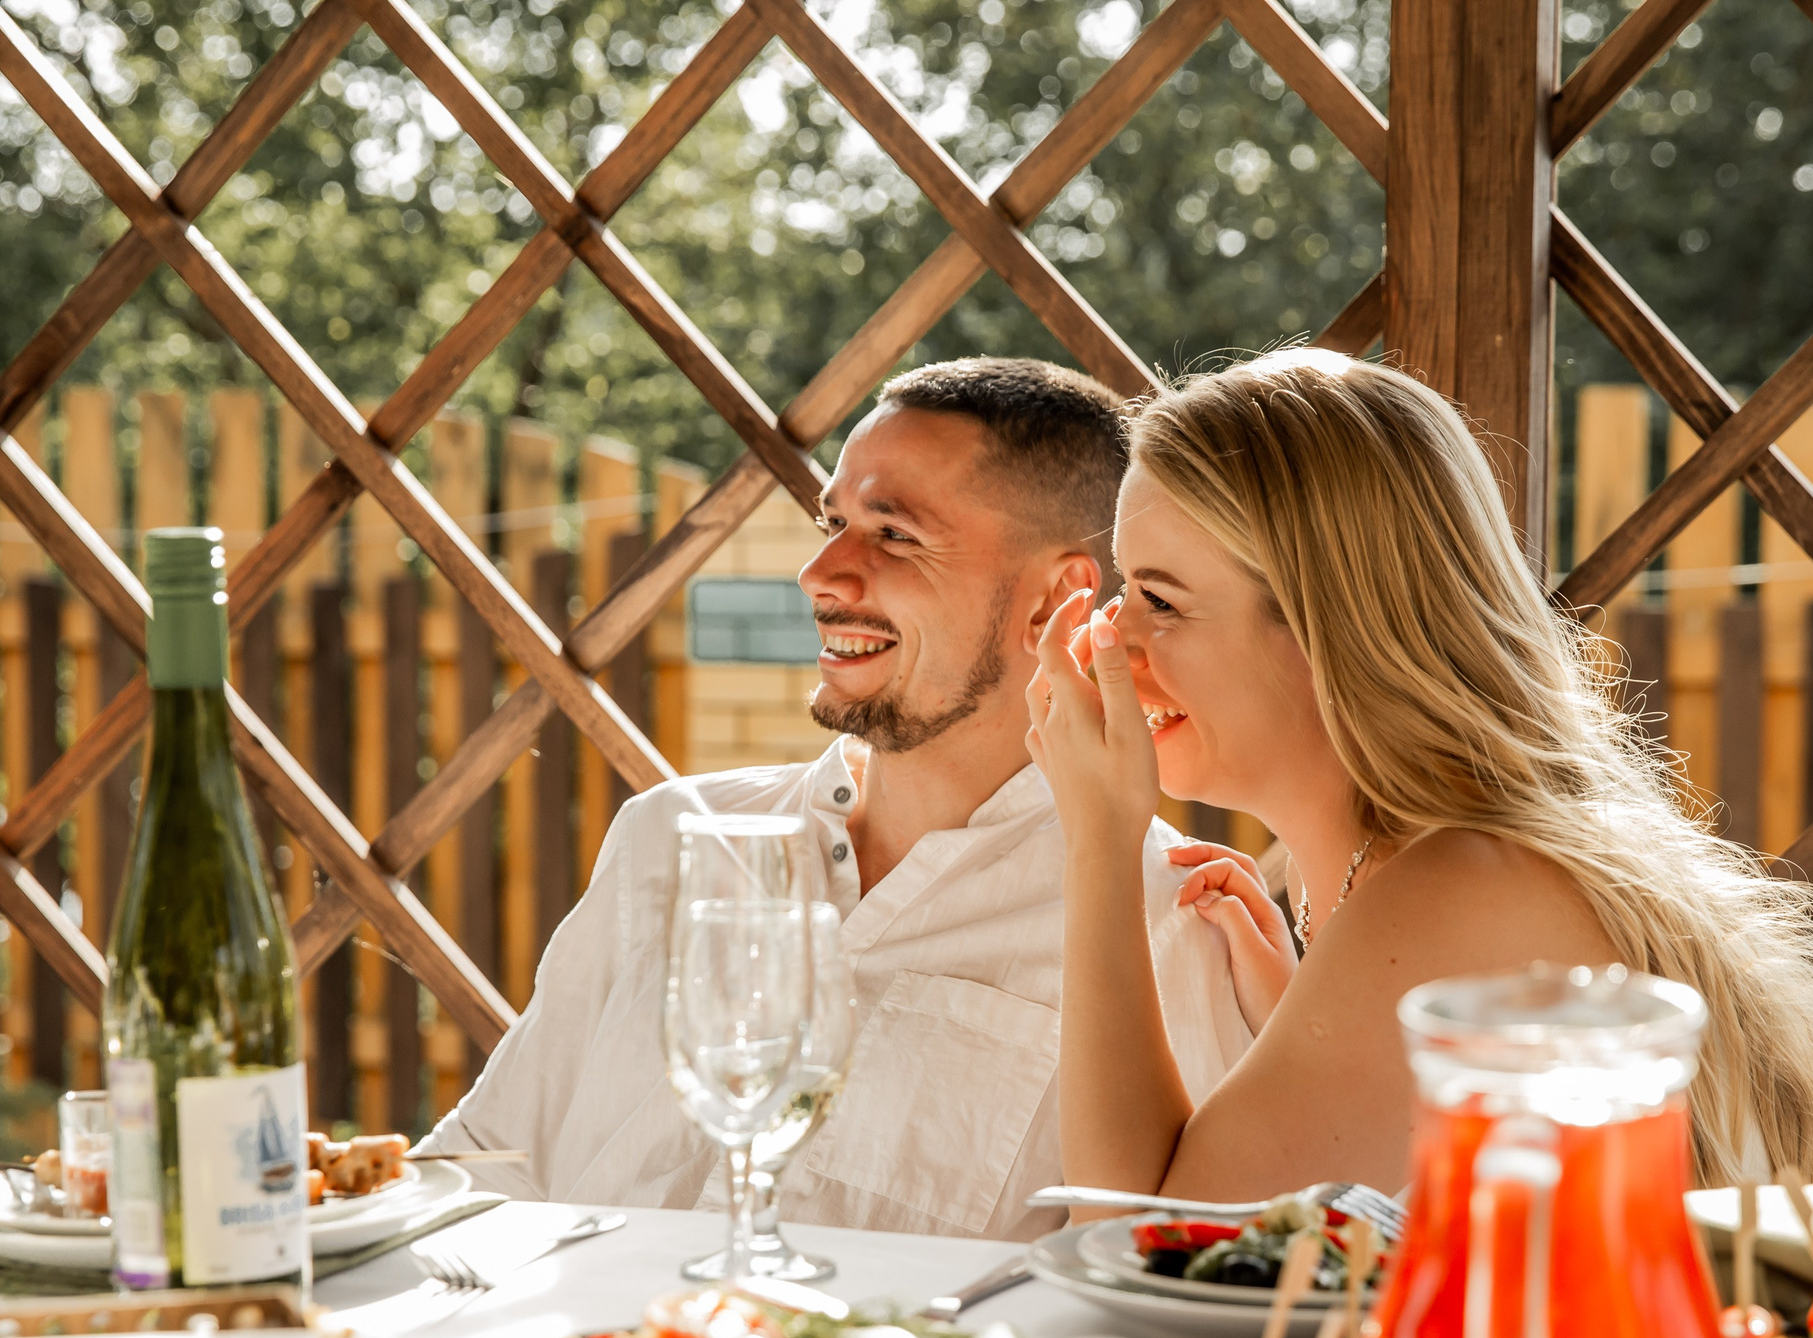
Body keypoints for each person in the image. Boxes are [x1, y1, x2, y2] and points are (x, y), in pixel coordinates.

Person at [424, 357, 1247, 1238]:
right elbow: (486, 1160)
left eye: (893, 535)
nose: (823, 573)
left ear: (1055, 598)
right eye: (833, 523)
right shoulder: (670, 835)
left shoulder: (1166, 915)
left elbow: (1169, 1272)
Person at [1025, 349, 1813, 1201]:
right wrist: (1304, 1013)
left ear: (1332, 631)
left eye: (1160, 600)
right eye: (1124, 587)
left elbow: (1135, 1231)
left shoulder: (1457, 884)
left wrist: (1098, 836)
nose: (1107, 638)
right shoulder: (1446, 864)